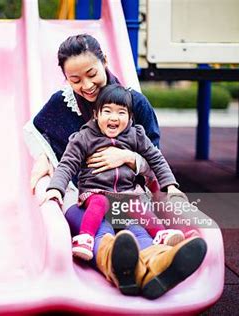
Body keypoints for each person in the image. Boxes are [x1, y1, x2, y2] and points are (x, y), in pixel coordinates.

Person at [24, 34, 207, 299]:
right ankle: (149, 267)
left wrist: (127, 158)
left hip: (127, 197)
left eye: (91, 74)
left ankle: (149, 268)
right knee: (101, 230)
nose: (86, 85)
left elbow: (154, 154)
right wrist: (44, 157)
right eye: (75, 80)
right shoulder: (63, 105)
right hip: (86, 200)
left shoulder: (133, 104)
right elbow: (41, 134)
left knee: (136, 231)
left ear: (105, 62)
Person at [43, 84, 185, 261]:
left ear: (130, 117)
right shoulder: (85, 137)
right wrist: (56, 188)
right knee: (100, 202)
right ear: (97, 114)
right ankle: (85, 238)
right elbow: (67, 164)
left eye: (121, 112)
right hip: (96, 192)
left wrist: (170, 186)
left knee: (139, 206)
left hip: (126, 194)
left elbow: (157, 159)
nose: (114, 117)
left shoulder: (135, 135)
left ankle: (161, 235)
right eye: (107, 111)